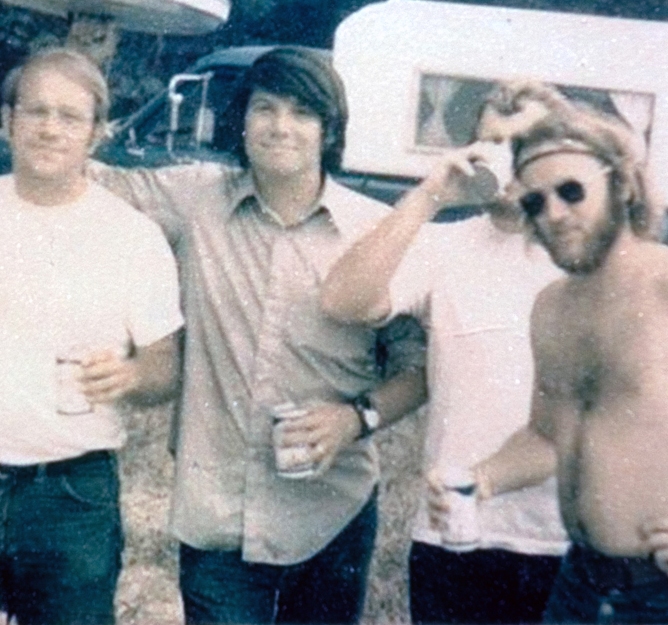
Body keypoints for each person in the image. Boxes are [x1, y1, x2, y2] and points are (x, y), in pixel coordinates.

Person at [90, 46, 427, 625]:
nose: (280, 126)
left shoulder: (373, 230)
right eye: (264, 108)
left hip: (332, 511)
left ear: (329, 130)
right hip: (216, 512)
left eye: (302, 112)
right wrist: (85, 58)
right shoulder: (197, 199)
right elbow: (89, 178)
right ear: (240, 120)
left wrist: (356, 419)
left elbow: (418, 366)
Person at [472, 82, 668, 624]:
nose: (554, 214)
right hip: (580, 587)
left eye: (571, 191)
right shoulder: (551, 307)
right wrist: (481, 480)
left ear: (624, 186)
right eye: (535, 201)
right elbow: (546, 435)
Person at [0, 48, 184, 625]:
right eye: (36, 111)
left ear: (97, 134)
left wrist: (130, 374)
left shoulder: (131, 236)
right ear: (7, 120)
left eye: (70, 117)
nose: (50, 128)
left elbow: (165, 368)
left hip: (72, 498)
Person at [321, 98, 569, 624]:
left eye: (521, 146)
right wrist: (431, 195)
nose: (503, 159)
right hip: (455, 534)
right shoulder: (444, 247)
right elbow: (343, 301)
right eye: (491, 142)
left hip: (566, 540)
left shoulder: (580, 258)